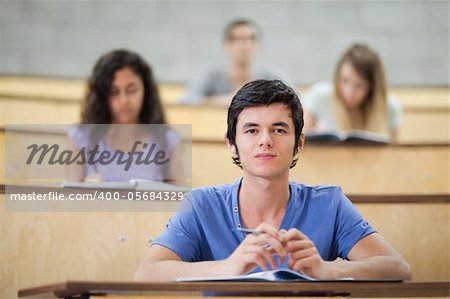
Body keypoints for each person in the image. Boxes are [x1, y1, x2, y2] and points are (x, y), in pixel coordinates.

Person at [135, 79, 411, 281]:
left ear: (299, 142)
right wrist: (227, 267)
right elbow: (147, 273)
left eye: (279, 129)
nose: (265, 141)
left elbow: (398, 267)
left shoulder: (330, 203)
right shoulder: (201, 205)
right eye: (252, 130)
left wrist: (329, 270)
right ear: (231, 143)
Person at [67, 49, 183, 182]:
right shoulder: (81, 137)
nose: (124, 101)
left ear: (146, 90)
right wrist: (87, 191)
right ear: (102, 96)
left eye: (131, 90)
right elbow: (71, 199)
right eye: (114, 92)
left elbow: (180, 199)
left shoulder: (168, 140)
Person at [303, 44, 402, 142]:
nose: (349, 92)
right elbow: (300, 145)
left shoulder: (390, 107)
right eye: (345, 80)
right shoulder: (319, 96)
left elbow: (393, 153)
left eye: (360, 85)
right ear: (337, 77)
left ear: (373, 87)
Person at [179, 19, 281, 106]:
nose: (245, 45)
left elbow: (294, 99)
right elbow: (186, 101)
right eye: (239, 39)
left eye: (251, 39)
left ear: (258, 45)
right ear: (226, 45)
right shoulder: (212, 75)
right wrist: (225, 100)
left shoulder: (269, 77)